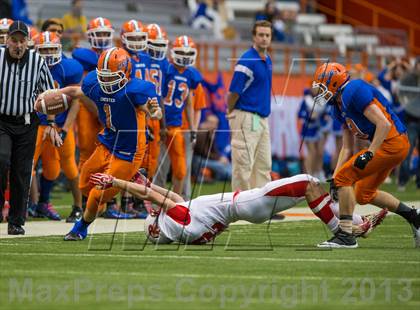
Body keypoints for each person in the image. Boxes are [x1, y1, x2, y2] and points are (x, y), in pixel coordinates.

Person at [88, 171, 387, 244]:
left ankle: (355, 223)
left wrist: (146, 185)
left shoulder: (180, 226)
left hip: (247, 209)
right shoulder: (176, 223)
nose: (153, 211)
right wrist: (117, 181)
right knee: (311, 181)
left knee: (313, 193)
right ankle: (342, 230)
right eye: (153, 216)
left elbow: (168, 197)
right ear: (157, 226)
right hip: (246, 202)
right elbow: (165, 201)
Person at [312, 62, 420, 248]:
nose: (319, 92)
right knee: (363, 193)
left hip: (392, 143)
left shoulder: (353, 90)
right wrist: (335, 178)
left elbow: (384, 124)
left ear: (334, 83)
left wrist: (370, 153)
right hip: (389, 145)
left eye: (322, 86)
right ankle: (414, 217)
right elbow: (346, 147)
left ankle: (346, 236)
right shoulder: (337, 107)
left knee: (346, 178)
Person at [61, 47, 161, 241]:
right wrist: (53, 93)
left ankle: (80, 228)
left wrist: (154, 112)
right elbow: (76, 91)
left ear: (126, 73)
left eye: (111, 76)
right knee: (84, 184)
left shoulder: (135, 90)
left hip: (129, 152)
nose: (106, 81)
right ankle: (128, 181)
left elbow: (153, 112)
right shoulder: (93, 83)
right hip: (106, 143)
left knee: (96, 195)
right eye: (103, 76)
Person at [0, 21, 56, 234]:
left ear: (29, 42)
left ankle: (16, 222)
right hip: (2, 121)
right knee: (1, 159)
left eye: (22, 40)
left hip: (26, 123)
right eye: (14, 40)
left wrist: (51, 123)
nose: (18, 45)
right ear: (7, 40)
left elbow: (50, 95)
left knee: (22, 172)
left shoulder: (37, 61)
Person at [31, 31, 84, 222]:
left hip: (59, 125)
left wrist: (65, 128)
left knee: (68, 167)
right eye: (44, 50)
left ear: (60, 49)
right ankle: (22, 207)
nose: (48, 54)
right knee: (26, 167)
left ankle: (78, 207)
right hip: (35, 124)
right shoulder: (29, 66)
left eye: (52, 49)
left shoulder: (68, 68)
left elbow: (76, 100)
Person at [227, 20, 273, 191]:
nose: (264, 38)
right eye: (261, 35)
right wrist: (231, 112)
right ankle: (241, 207)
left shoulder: (267, 59)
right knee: (243, 165)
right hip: (245, 116)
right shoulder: (247, 60)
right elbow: (233, 92)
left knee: (264, 164)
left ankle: (261, 206)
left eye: (267, 35)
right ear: (254, 36)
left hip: (261, 118)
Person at [155, 35, 202, 195]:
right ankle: (155, 204)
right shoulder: (166, 69)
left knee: (181, 170)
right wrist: (160, 123)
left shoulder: (191, 75)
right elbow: (159, 96)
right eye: (182, 52)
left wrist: (193, 128)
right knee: (158, 168)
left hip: (176, 126)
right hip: (159, 124)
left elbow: (189, 103)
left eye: (189, 54)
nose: (185, 56)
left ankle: (176, 204)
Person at [398, 58, 420, 191]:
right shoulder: (407, 79)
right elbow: (401, 96)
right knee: (407, 151)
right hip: (410, 121)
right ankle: (402, 180)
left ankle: (419, 182)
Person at [193, 114, 232, 182]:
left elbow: (214, 150)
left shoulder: (210, 133)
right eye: (213, 124)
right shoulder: (201, 133)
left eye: (216, 124)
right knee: (220, 166)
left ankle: (229, 175)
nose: (215, 126)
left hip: (206, 158)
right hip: (198, 159)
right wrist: (218, 158)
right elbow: (203, 152)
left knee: (226, 164)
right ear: (207, 122)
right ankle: (230, 176)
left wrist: (220, 157)